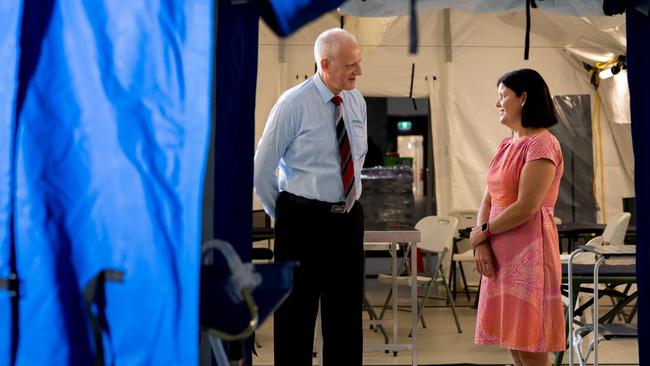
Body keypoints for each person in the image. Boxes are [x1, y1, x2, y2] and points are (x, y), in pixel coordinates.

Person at [253, 28, 367, 365]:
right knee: (295, 318)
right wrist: (284, 215)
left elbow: (355, 161)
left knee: (346, 318)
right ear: (325, 64)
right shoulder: (293, 103)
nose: (358, 71)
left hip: (347, 219)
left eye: (359, 63)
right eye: (350, 65)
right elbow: (262, 169)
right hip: (302, 221)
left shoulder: (356, 101)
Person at [469, 68, 565, 366]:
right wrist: (482, 240)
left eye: (502, 96)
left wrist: (483, 232)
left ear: (523, 98)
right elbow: (488, 199)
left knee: (529, 344)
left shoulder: (542, 144)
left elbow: (527, 206)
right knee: (512, 342)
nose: (498, 104)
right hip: (500, 253)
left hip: (529, 254)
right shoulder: (506, 145)